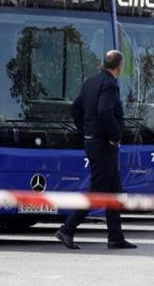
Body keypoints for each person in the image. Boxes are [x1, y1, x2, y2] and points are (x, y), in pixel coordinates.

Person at [54, 50, 136, 250]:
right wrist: (114, 136)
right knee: (98, 190)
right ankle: (67, 229)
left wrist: (86, 130)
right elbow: (105, 111)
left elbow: (75, 108)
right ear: (120, 67)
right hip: (103, 145)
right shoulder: (109, 84)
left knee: (114, 190)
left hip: (93, 141)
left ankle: (115, 237)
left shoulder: (91, 82)